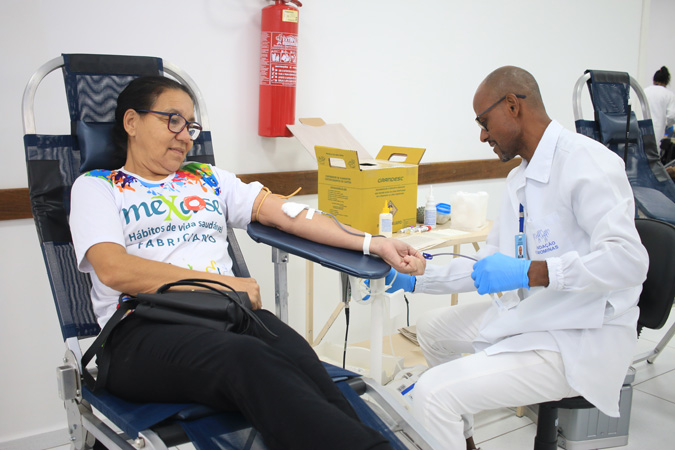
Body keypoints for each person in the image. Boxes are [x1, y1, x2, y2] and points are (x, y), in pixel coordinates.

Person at [69, 75, 426, 450]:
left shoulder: (206, 179)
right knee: (247, 358)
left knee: (300, 359)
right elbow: (114, 269)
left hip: (226, 317)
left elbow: (289, 215)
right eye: (172, 120)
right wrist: (221, 285)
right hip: (139, 333)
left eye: (190, 126)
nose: (186, 136)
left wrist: (374, 243)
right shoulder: (98, 187)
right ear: (131, 123)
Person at [382, 66, 649, 449]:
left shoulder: (587, 162)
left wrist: (533, 272)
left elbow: (629, 260)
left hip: (578, 335)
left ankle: (445, 420)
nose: (482, 135)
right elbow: (489, 263)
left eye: (484, 121)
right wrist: (421, 274)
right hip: (538, 313)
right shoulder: (518, 180)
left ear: (512, 105)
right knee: (431, 331)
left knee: (433, 394)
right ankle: (462, 440)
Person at [644, 66, 675, 139]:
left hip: (643, 129)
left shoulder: (645, 91)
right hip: (659, 132)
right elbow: (672, 116)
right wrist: (666, 124)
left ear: (654, 80)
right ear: (666, 82)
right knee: (656, 149)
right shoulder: (669, 95)